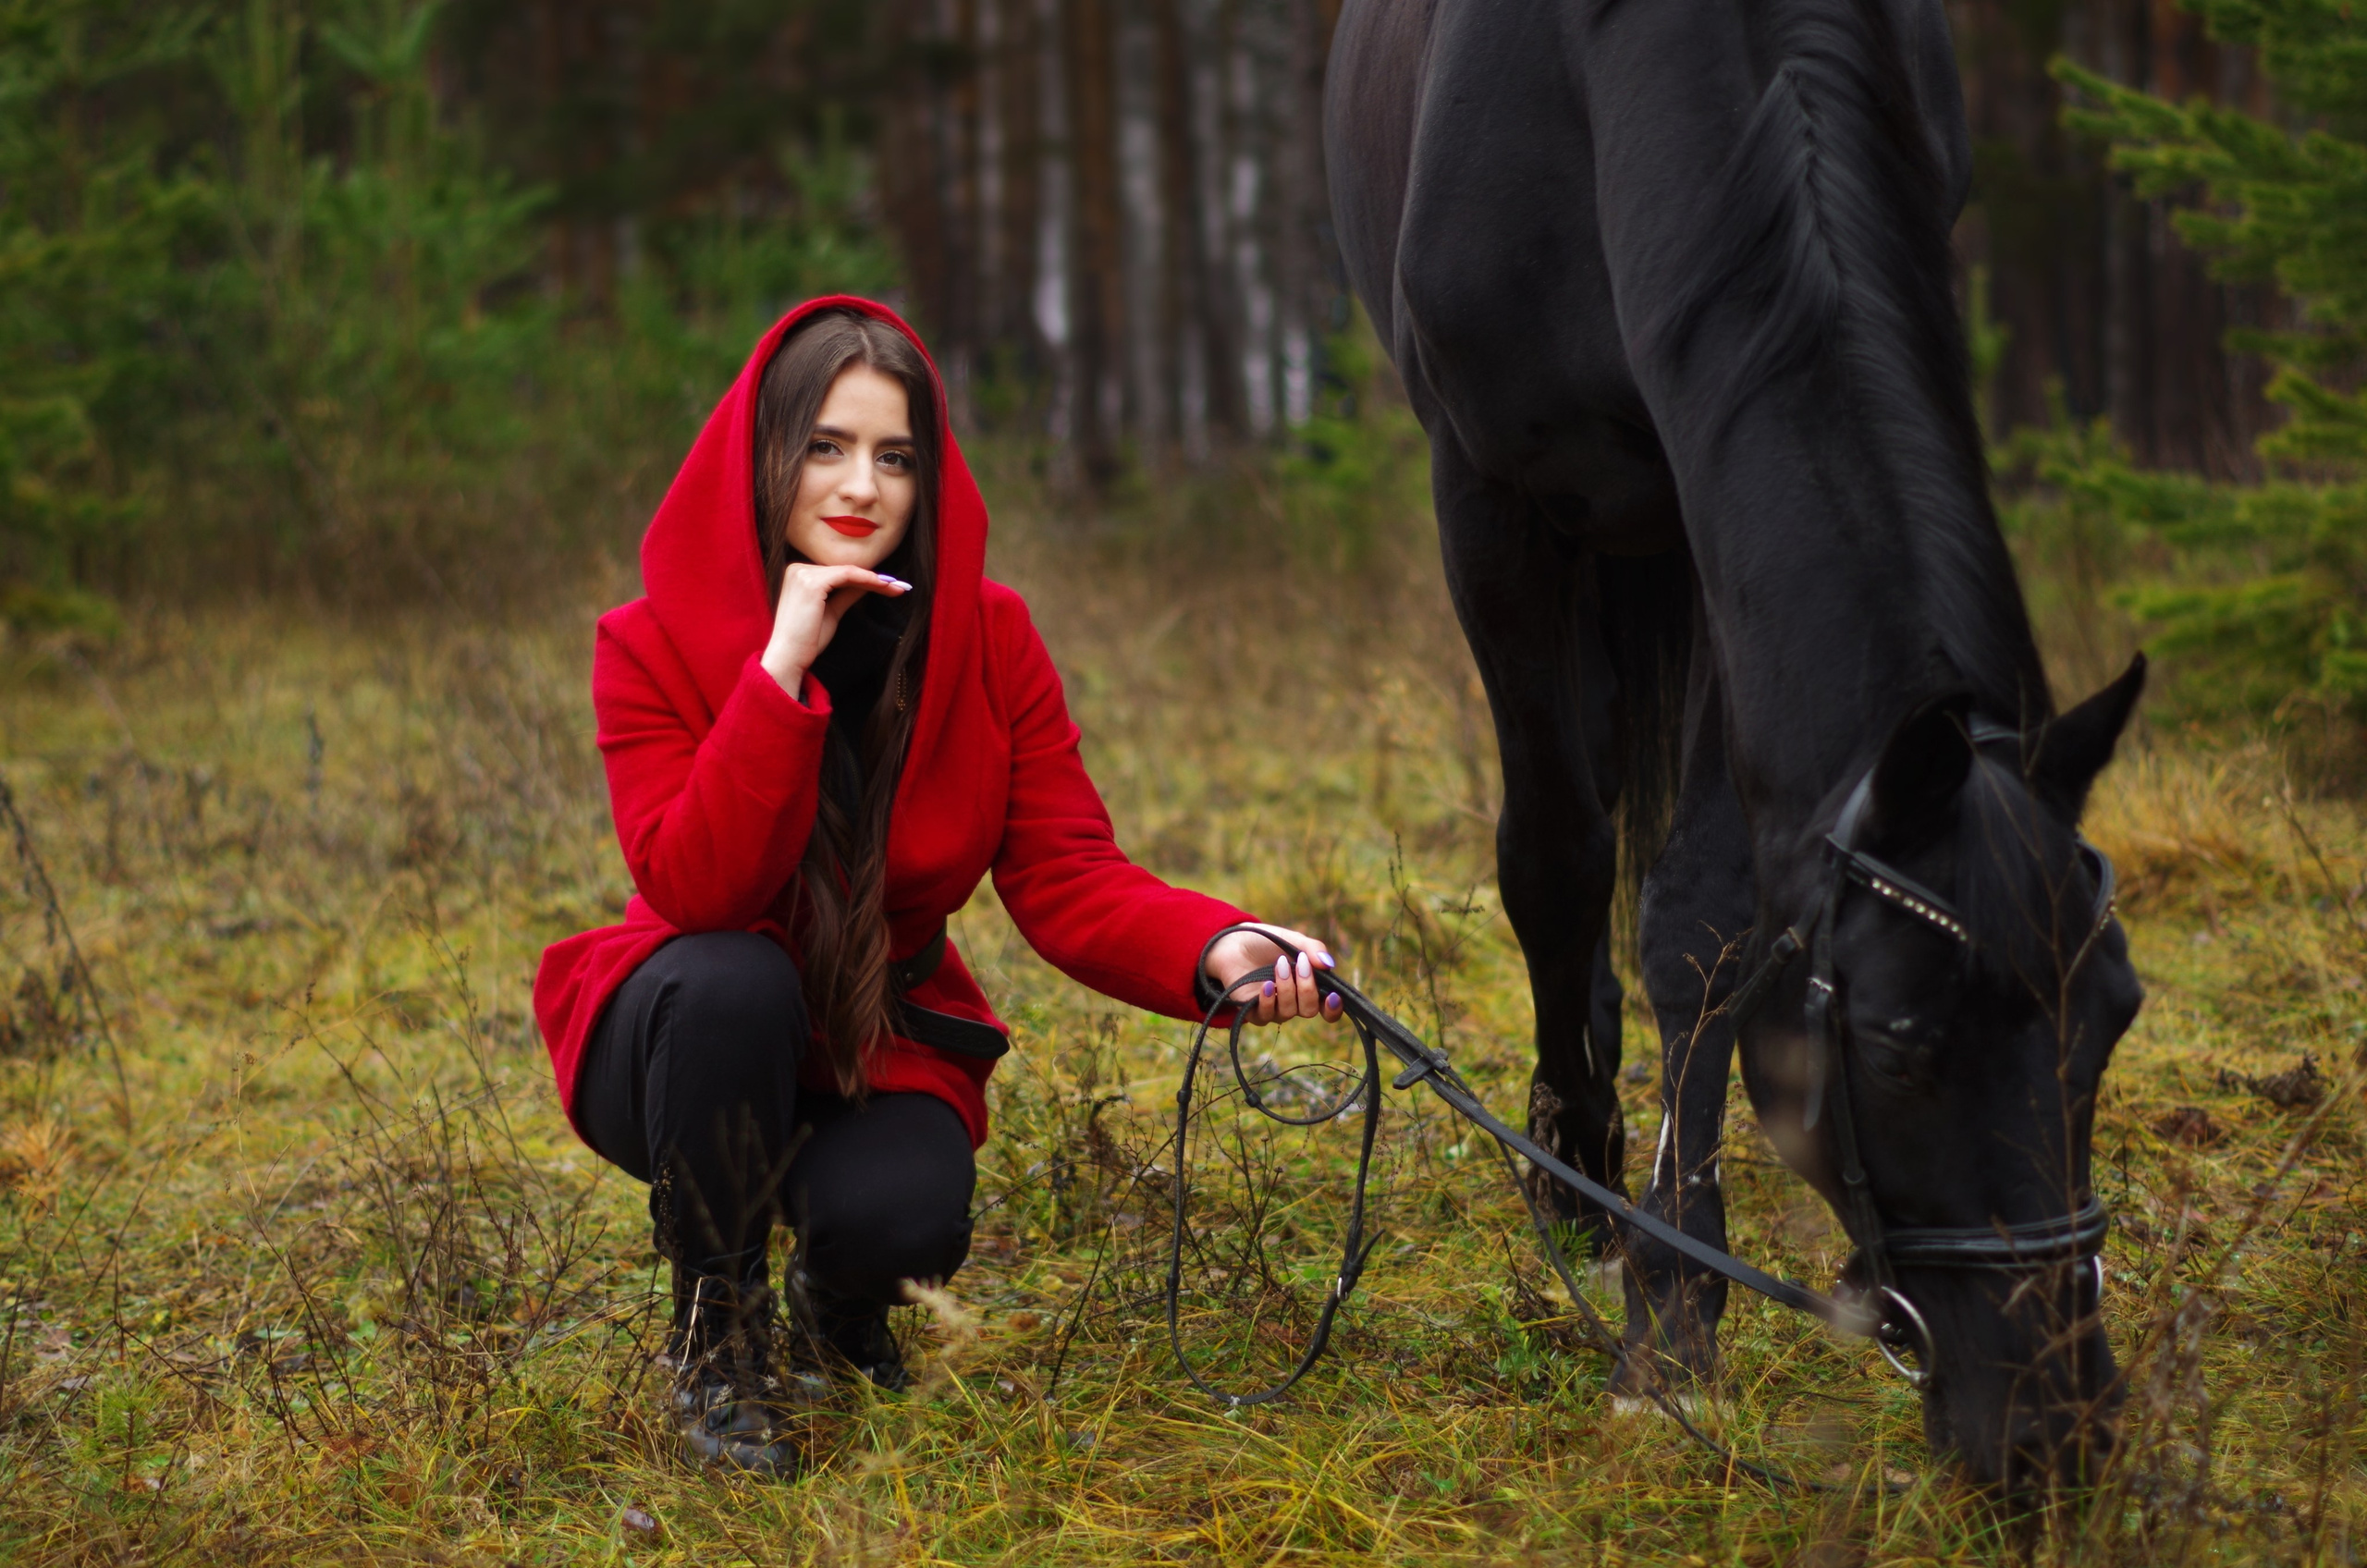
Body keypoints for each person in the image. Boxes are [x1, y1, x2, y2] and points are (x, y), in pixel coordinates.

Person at [533, 298, 1342, 1476]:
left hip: (876, 1032)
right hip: (683, 1039)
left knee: (906, 1225)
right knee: (731, 975)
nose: (862, 485)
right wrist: (780, 666)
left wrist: (1218, 947)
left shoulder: (988, 637)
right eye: (826, 445)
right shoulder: (647, 641)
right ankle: (718, 1336)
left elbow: (1067, 870)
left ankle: (835, 1301)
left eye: (896, 456)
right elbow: (700, 889)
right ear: (764, 452)